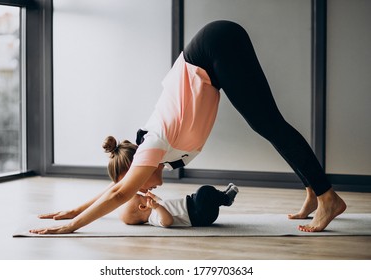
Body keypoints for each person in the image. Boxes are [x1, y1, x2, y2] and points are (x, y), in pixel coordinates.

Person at [30, 20, 346, 235]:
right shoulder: (153, 153)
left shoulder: (153, 142)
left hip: (214, 46)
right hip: (213, 52)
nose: (142, 190)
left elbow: (119, 191)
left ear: (138, 164)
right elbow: (117, 188)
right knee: (268, 125)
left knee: (269, 124)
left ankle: (327, 197)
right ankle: (313, 192)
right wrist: (72, 211)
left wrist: (70, 227)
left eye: (137, 183)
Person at [120, 184, 239, 227]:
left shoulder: (156, 209)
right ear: (143, 207)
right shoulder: (154, 218)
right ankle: (226, 199)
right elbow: (167, 221)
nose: (146, 196)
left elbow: (163, 203)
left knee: (203, 193)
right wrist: (157, 207)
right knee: (204, 191)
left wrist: (155, 198)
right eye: (143, 197)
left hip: (194, 205)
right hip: (198, 215)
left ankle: (223, 196)